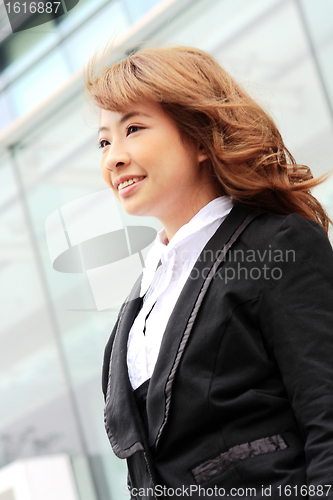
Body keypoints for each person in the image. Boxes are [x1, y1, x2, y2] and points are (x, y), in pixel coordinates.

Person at [85, 46, 333, 499]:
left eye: (133, 129)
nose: (113, 158)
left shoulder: (276, 245)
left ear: (199, 138)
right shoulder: (143, 298)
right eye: (104, 141)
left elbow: (328, 419)